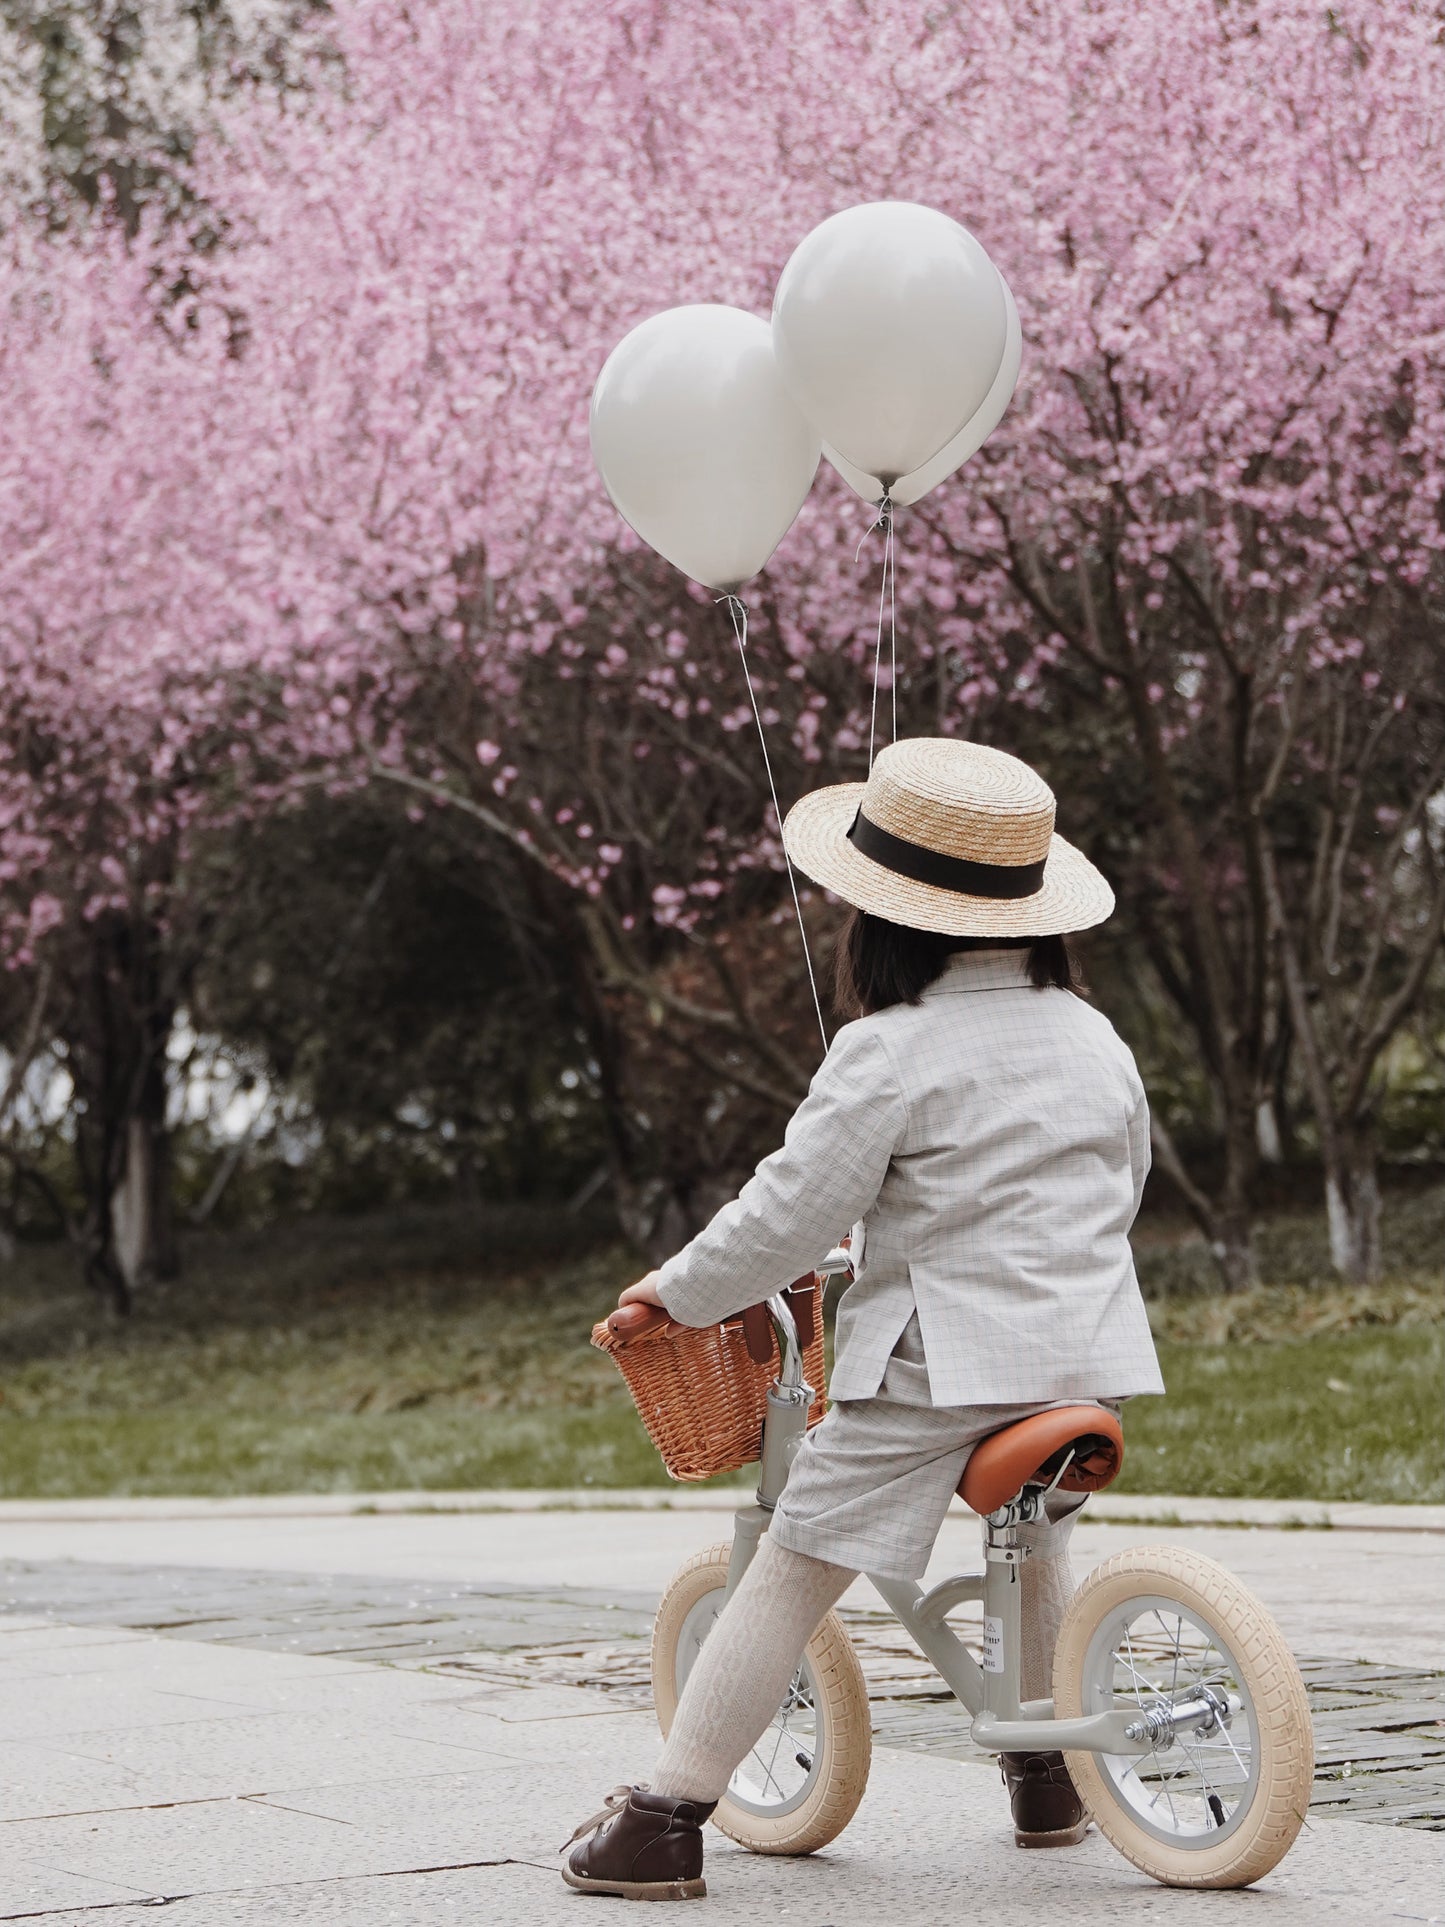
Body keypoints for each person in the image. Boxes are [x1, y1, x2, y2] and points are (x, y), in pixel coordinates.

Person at [561, 737, 1164, 1902]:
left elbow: (785, 1218)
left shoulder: (886, 1049)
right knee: (1037, 1537)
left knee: (790, 1565)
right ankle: (1044, 1773)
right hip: (1088, 1353)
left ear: (878, 922)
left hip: (946, 1371)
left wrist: (673, 1293)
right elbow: (1112, 1184)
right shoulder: (1092, 1036)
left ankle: (663, 1815)